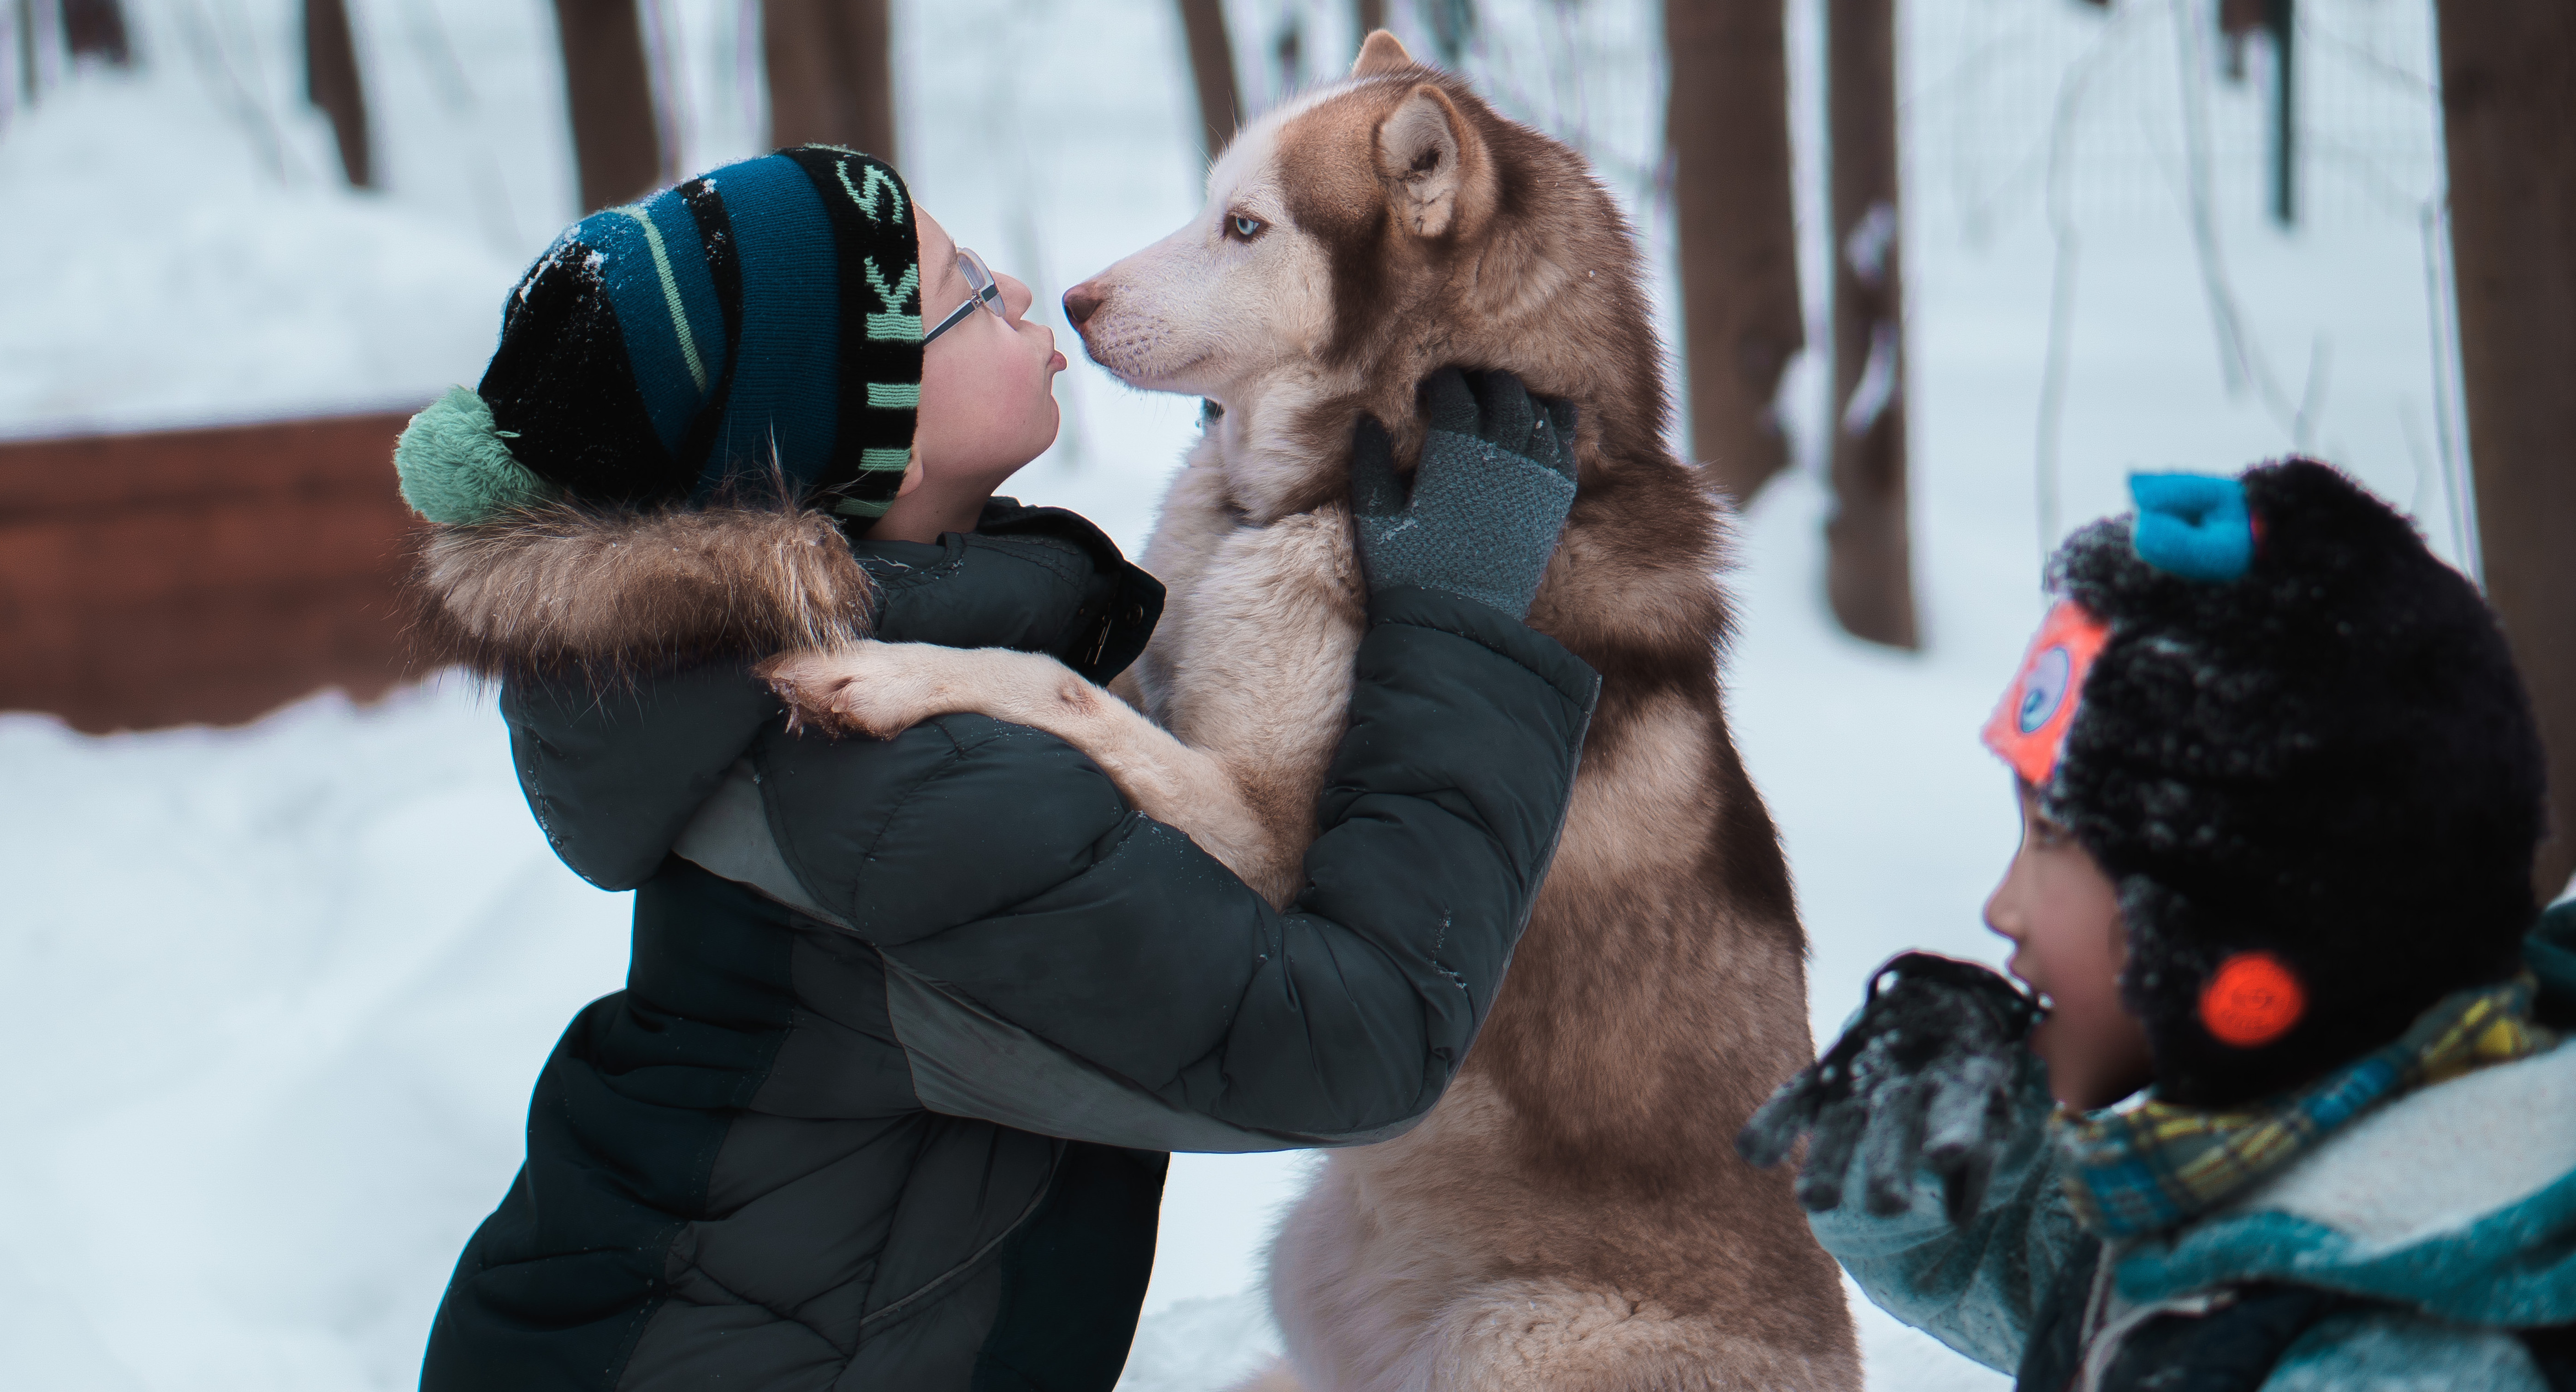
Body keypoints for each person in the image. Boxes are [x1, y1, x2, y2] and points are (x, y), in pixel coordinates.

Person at [391, 147, 1598, 1390]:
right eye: (963, 288)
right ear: (882, 445)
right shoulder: (893, 774)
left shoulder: (797, 673)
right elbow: (1353, 1043)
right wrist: (1464, 639)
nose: (1025, 288)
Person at [1740, 460, 2576, 1391]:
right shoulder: (2263, 1182)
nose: (2000, 906)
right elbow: (2045, 1271)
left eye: (2053, 836)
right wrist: (1934, 1144)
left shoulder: (2408, 1350)